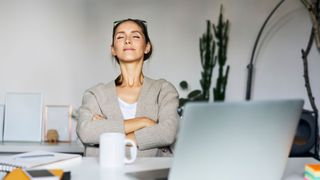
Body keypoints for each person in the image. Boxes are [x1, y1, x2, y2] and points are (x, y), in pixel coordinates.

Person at [77, 18, 180, 157]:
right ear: (113, 49)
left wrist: (107, 129)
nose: (127, 40)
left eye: (136, 36)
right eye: (120, 36)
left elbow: (167, 133)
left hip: (152, 175)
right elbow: (86, 132)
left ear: (147, 47)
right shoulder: (95, 94)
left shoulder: (164, 90)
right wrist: (144, 122)